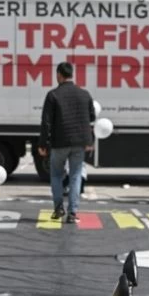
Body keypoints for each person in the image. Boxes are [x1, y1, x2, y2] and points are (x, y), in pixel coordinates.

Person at [39, 61, 95, 224]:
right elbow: (92, 117)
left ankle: (58, 208)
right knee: (76, 175)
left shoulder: (53, 95)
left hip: (59, 142)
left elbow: (46, 122)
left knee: (56, 174)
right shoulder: (84, 94)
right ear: (71, 75)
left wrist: (43, 144)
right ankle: (72, 212)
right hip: (79, 142)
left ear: (59, 75)